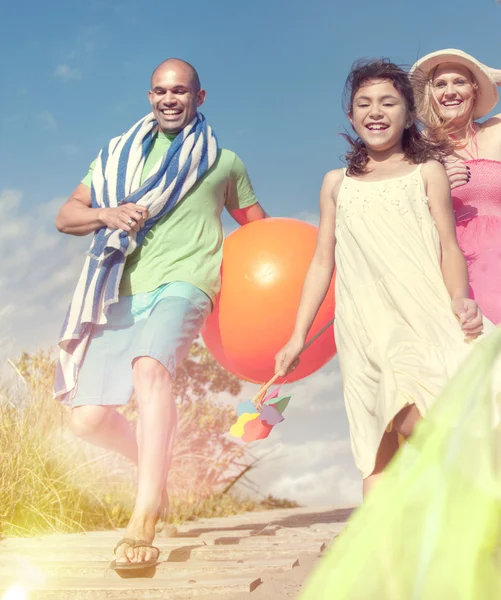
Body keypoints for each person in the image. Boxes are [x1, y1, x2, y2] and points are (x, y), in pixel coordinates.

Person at [54, 58, 268, 570]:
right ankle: (156, 472)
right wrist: (106, 214)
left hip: (187, 284)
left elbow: (260, 230)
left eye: (179, 91)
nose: (168, 99)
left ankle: (144, 516)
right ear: (150, 96)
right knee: (87, 421)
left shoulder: (224, 162)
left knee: (150, 368)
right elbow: (66, 216)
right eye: (159, 91)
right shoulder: (115, 158)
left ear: (199, 96)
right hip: (119, 290)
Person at [275, 58, 491, 498]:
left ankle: (477, 496)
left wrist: (459, 299)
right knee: (377, 445)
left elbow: (449, 245)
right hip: (362, 327)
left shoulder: (427, 173)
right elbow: (322, 261)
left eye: (388, 102)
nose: (375, 111)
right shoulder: (336, 184)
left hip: (423, 315)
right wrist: (298, 336)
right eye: (364, 103)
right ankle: (385, 561)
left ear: (409, 114)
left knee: (415, 409)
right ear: (351, 116)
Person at [410, 49, 501, 324]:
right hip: (454, 268)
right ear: (430, 95)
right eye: (440, 84)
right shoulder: (417, 148)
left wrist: (493, 76)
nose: (450, 91)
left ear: (475, 89)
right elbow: (401, 214)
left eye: (460, 82)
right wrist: (435, 192)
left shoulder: (497, 129)